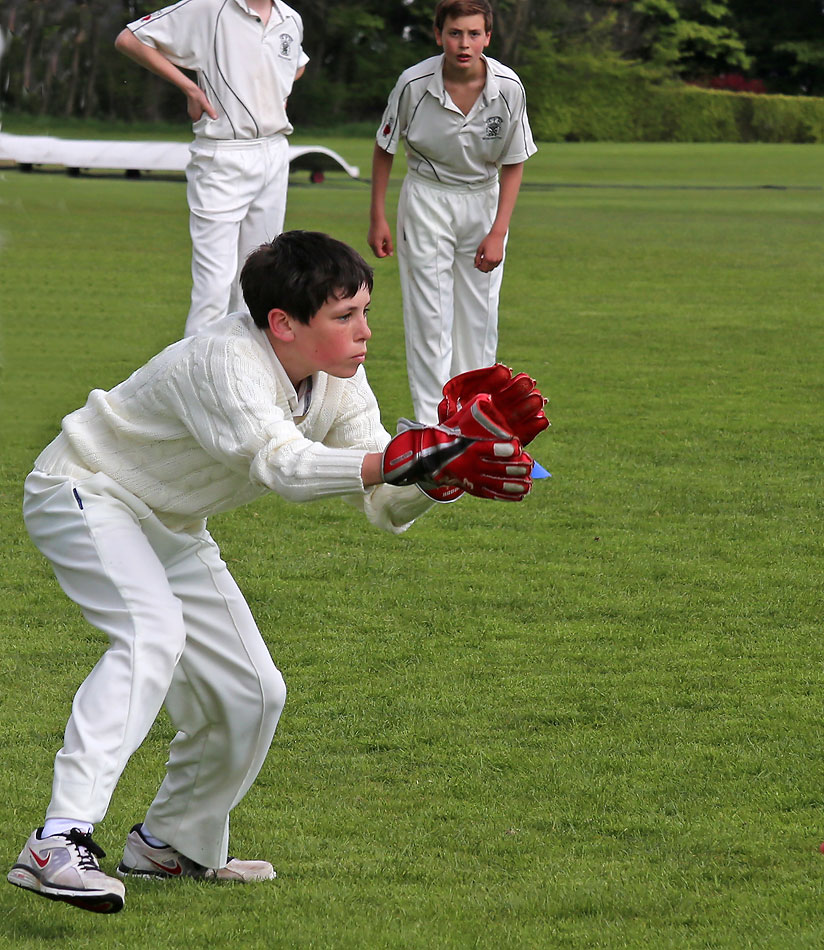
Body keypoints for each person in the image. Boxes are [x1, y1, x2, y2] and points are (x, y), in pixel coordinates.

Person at [6, 231, 542, 914]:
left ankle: (169, 845)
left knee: (255, 692)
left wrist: (438, 474)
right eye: (344, 317)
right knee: (150, 634)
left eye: (366, 312)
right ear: (283, 324)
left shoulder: (338, 384)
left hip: (171, 521)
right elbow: (283, 467)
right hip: (86, 489)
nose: (366, 332)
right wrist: (408, 457)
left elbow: (382, 502)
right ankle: (56, 841)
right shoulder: (225, 361)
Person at [368, 0, 537, 424]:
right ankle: (432, 425)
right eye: (455, 33)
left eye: (474, 34)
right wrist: (378, 216)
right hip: (426, 198)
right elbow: (385, 148)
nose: (464, 44)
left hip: (483, 199)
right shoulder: (413, 83)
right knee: (429, 315)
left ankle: (475, 421)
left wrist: (499, 231)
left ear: (488, 37)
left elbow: (515, 162)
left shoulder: (509, 87)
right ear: (438, 34)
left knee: (480, 318)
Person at [115, 0, 308, 337]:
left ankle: (245, 381)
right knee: (213, 289)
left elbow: (296, 64)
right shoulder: (208, 7)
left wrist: (274, 89)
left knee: (258, 282)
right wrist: (189, 87)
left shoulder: (290, 18)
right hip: (222, 155)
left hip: (275, 151)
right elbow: (131, 39)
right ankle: (195, 386)